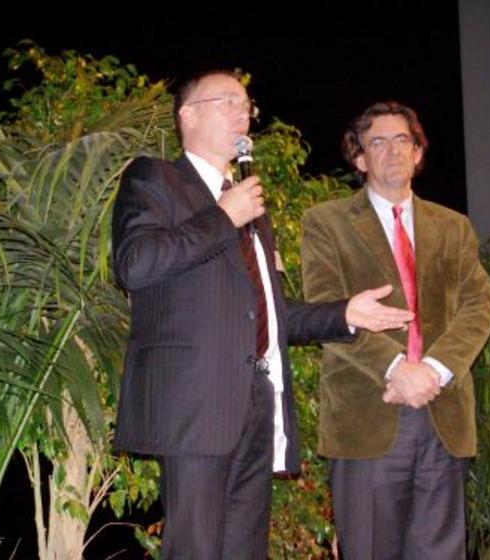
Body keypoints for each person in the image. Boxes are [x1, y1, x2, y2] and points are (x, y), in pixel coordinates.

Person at [111, 71, 413, 559]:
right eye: (227, 101)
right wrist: (222, 216)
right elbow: (135, 265)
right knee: (197, 550)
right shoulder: (155, 178)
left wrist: (345, 314)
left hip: (256, 399)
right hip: (195, 404)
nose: (242, 112)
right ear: (187, 115)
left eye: (246, 103)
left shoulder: (247, 203)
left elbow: (269, 313)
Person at [301, 101, 490, 559]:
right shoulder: (325, 223)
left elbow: (477, 305)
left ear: (419, 153)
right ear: (360, 158)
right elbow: (327, 310)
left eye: (402, 140)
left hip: (441, 410)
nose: (392, 151)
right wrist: (395, 369)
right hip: (367, 413)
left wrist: (433, 369)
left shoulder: (453, 227)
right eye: (377, 143)